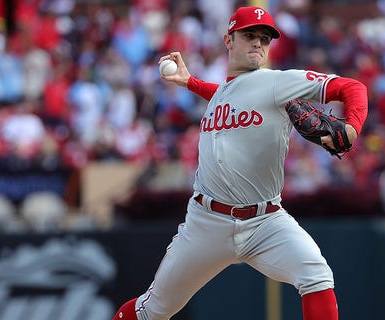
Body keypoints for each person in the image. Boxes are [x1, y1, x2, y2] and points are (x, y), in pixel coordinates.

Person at [112, 6, 368, 320]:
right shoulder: (226, 92)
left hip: (266, 222)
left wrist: (353, 125)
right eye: (249, 35)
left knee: (317, 276)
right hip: (206, 223)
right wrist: (189, 82)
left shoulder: (277, 83)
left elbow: (353, 88)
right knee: (153, 310)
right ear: (229, 39)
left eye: (264, 38)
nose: (258, 43)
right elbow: (225, 94)